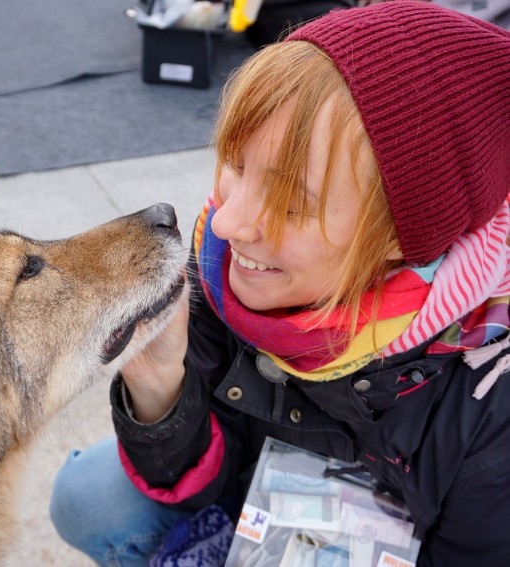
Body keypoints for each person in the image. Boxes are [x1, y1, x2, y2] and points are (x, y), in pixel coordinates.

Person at [49, 2, 510, 566]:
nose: (227, 223)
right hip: (264, 516)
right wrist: (159, 388)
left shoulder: (489, 393)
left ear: (402, 237)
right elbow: (208, 485)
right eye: (236, 166)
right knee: (89, 499)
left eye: (292, 203)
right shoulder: (223, 269)